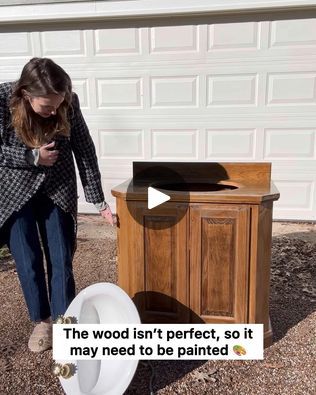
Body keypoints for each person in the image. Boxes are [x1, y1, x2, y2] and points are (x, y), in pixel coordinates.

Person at [0, 57, 114, 352]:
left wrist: (98, 199)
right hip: (14, 191)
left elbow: (85, 150)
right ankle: (42, 321)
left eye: (58, 104)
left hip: (58, 188)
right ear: (26, 94)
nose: (53, 111)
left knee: (61, 258)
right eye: (46, 106)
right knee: (28, 261)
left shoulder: (68, 101)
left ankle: (65, 323)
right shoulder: (2, 100)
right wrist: (30, 157)